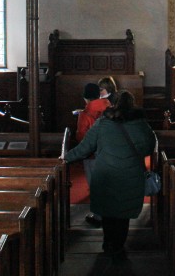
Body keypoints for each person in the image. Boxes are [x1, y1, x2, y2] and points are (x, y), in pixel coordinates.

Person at [63, 90, 157, 260]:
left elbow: (84, 148)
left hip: (106, 176)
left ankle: (108, 244)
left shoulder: (102, 124)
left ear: (114, 105)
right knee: (123, 216)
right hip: (130, 176)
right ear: (132, 105)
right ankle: (118, 246)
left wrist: (64, 159)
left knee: (108, 213)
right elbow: (149, 148)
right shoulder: (142, 125)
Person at [76, 83, 112, 228]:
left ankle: (99, 216)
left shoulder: (85, 114)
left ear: (85, 98)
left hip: (93, 155)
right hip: (110, 153)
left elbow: (81, 137)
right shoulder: (110, 109)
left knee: (95, 184)